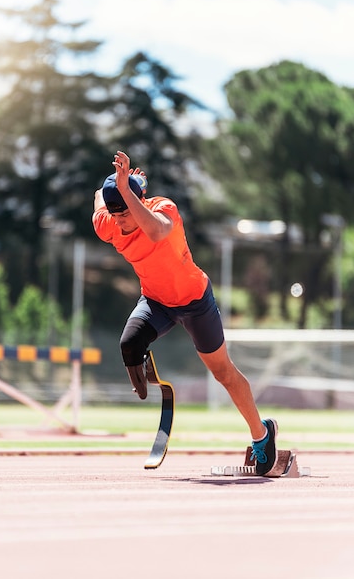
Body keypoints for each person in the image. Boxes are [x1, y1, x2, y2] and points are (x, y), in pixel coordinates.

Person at [92, 150, 278, 475]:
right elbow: (99, 198)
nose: (119, 221)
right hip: (156, 302)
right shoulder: (106, 223)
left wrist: (128, 189)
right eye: (115, 214)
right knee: (129, 345)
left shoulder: (164, 210)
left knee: (223, 373)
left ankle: (262, 434)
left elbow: (156, 232)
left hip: (195, 301)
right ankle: (147, 378)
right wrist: (126, 185)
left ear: (140, 202)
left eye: (125, 212)